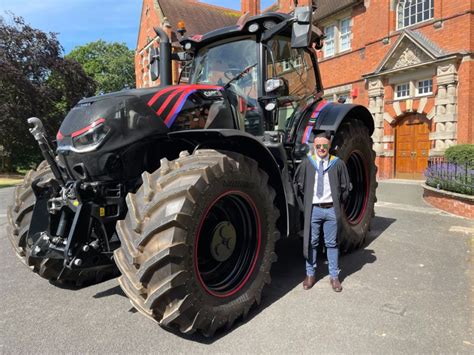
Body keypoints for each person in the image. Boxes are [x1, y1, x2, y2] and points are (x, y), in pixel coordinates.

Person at [296, 130, 351, 292]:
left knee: (332, 243)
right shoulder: (307, 163)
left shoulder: (338, 163)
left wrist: (337, 204)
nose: (321, 148)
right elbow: (298, 186)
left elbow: (345, 187)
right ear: (314, 146)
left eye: (324, 145)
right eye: (318, 145)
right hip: (314, 210)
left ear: (329, 146)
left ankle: (334, 277)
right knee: (311, 243)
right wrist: (304, 206)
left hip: (331, 210)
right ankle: (310, 274)